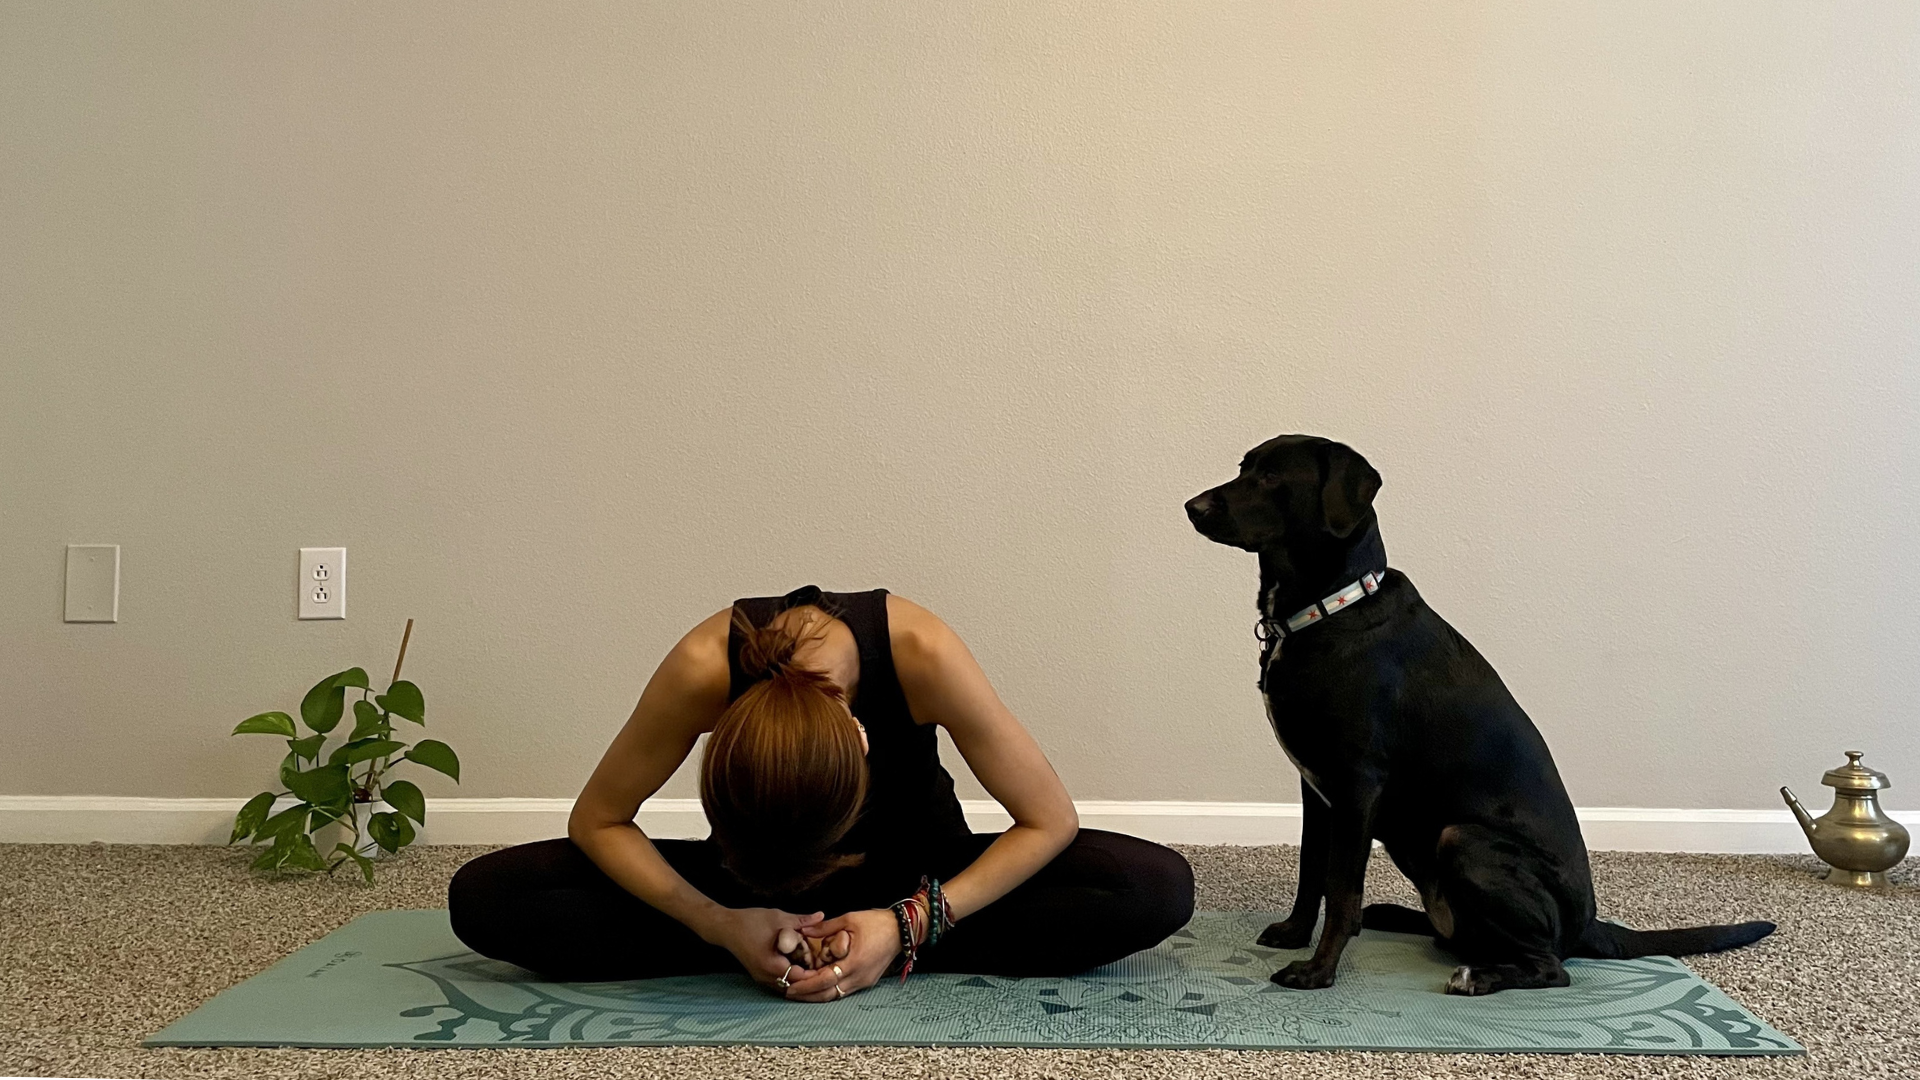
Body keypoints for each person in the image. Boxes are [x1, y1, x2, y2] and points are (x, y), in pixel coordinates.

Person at [448, 585, 1194, 1002]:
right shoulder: (704, 667)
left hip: (918, 880)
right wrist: (719, 923)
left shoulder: (920, 651)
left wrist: (908, 923)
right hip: (749, 893)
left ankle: (860, 947)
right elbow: (600, 818)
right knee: (488, 896)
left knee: (1150, 887)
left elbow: (1049, 820)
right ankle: (773, 945)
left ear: (860, 738)